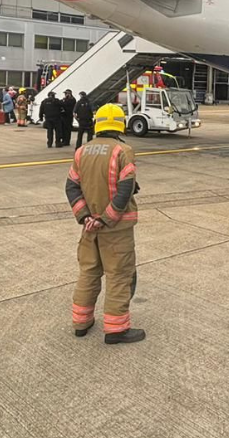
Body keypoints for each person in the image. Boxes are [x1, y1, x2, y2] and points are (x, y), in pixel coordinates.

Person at [65, 103, 144, 344]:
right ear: (120, 124)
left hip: (89, 229)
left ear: (98, 123)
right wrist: (105, 219)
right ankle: (116, 329)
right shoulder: (123, 151)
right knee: (119, 275)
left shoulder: (82, 151)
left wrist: (86, 217)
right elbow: (124, 189)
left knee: (88, 273)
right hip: (115, 229)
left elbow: (71, 186)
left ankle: (81, 322)